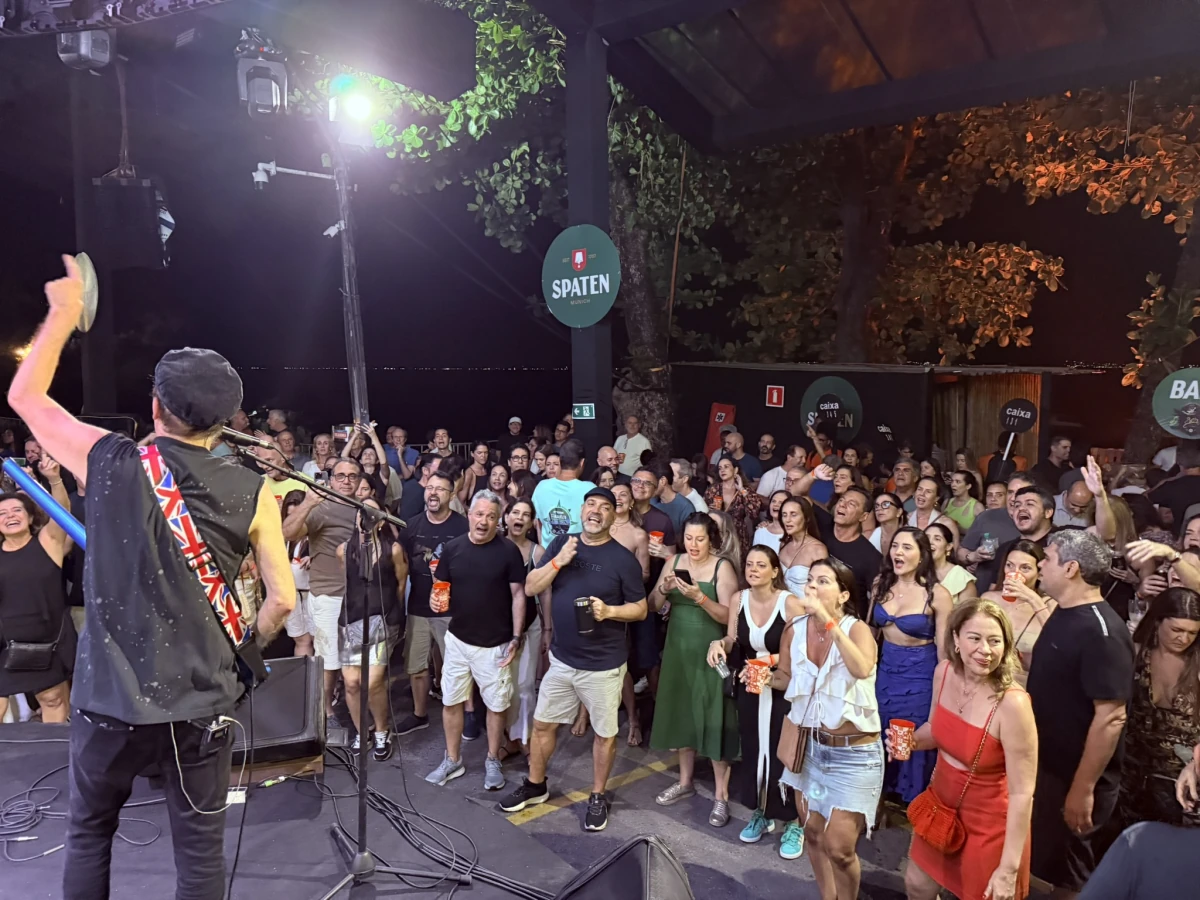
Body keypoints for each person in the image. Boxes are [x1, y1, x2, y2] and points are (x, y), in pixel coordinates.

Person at [9, 260, 295, 900]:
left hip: (109, 703)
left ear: (156, 406)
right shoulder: (256, 491)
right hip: (201, 706)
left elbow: (25, 397)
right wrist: (242, 648)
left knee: (89, 834)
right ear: (226, 419)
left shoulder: (107, 460)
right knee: (199, 855)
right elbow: (282, 600)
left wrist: (64, 312)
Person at [498, 488, 648, 832]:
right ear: (582, 510)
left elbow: (640, 609)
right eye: (591, 504)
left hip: (604, 665)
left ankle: (597, 795)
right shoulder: (561, 544)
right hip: (563, 659)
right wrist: (558, 561)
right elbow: (531, 587)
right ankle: (536, 785)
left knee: (604, 735)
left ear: (613, 516)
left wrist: (610, 611)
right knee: (543, 725)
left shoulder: (623, 559)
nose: (596, 511)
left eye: (605, 507)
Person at [892, 599, 1037, 900]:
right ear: (956, 639)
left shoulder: (1014, 704)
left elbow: (1023, 793)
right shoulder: (944, 672)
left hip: (989, 825)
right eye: (975, 638)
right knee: (917, 885)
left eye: (995, 641)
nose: (985, 650)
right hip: (941, 807)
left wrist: (1008, 869)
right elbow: (935, 729)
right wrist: (911, 742)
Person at [1027, 529, 1135, 897]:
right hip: (1049, 768)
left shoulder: (1103, 633)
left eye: (1047, 558)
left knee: (1069, 875)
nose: (1040, 565)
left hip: (1076, 777)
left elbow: (1111, 717)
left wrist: (1082, 788)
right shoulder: (1065, 611)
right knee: (1045, 864)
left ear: (1071, 568)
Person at [772, 557, 883, 896]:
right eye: (810, 580)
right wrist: (760, 676)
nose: (813, 586)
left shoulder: (857, 629)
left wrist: (827, 619)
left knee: (840, 848)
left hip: (854, 756)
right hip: (810, 748)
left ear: (843, 595)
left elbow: (861, 668)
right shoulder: (794, 629)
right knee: (813, 832)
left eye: (823, 581)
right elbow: (785, 676)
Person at [425, 491, 526, 791]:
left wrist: (516, 636)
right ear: (469, 515)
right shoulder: (453, 548)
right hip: (458, 640)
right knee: (451, 701)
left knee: (496, 705)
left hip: (495, 644)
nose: (484, 521)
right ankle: (452, 759)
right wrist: (434, 599)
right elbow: (440, 585)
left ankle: (493, 759)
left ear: (498, 520)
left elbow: (518, 595)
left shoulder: (509, 551)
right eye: (479, 514)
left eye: (491, 516)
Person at [707, 546, 804, 856]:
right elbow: (733, 639)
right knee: (753, 750)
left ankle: (794, 822)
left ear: (775, 571)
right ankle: (762, 812)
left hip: (781, 684)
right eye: (749, 564)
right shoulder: (739, 599)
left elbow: (799, 651)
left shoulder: (790, 603)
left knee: (781, 753)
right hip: (750, 685)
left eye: (761, 565)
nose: (753, 569)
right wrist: (718, 644)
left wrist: (766, 661)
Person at [648, 513, 740, 826]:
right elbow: (652, 604)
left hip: (710, 650)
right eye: (689, 538)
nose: (694, 544)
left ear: (711, 539)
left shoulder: (721, 567)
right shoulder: (674, 561)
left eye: (700, 538)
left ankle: (721, 796)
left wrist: (699, 597)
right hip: (678, 648)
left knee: (712, 716)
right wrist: (664, 588)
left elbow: (729, 616)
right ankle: (685, 781)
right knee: (683, 713)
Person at [869, 526, 953, 802]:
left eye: (907, 547)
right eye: (895, 546)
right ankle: (878, 803)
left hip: (920, 678)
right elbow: (871, 633)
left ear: (922, 555)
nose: (898, 552)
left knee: (911, 738)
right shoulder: (881, 584)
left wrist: (943, 695)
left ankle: (913, 806)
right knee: (881, 732)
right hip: (885, 673)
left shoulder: (937, 594)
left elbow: (944, 653)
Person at [283, 458, 362, 718]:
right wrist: (308, 502)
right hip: (329, 596)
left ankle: (353, 712)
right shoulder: (321, 508)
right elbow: (288, 532)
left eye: (352, 476)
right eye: (340, 476)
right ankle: (325, 714)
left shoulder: (365, 508)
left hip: (358, 597)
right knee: (328, 661)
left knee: (355, 664)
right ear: (331, 480)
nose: (346, 481)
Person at [0, 460, 77, 724]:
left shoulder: (48, 543)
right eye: (2, 513)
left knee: (53, 699)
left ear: (30, 516)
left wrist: (54, 479)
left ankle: (54, 749)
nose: (10, 516)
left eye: (16, 510)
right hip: (5, 641)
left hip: (48, 639)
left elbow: (61, 514)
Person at [1118, 587, 1200, 829]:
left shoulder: (1196, 664)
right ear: (1157, 622)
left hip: (1184, 775)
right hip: (1133, 768)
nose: (1183, 639)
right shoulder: (1135, 654)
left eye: (1192, 633)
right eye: (1176, 630)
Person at [394, 471, 468, 736]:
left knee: (455, 668)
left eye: (440, 489)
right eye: (430, 488)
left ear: (451, 495)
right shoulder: (411, 526)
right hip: (418, 608)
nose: (433, 493)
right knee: (416, 667)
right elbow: (400, 564)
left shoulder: (462, 527)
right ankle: (419, 714)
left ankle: (460, 716)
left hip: (452, 610)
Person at [336, 498, 406, 760]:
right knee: (351, 683)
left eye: (370, 512)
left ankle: (381, 731)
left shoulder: (393, 549)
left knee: (373, 681)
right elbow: (348, 583)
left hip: (383, 620)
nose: (364, 517)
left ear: (380, 520)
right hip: (352, 619)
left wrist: (394, 617)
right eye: (360, 512)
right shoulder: (344, 550)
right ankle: (361, 731)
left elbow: (401, 584)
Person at [503, 499, 547, 755]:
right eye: (515, 512)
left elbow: (546, 593)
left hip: (530, 627)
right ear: (506, 517)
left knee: (525, 687)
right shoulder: (494, 547)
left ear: (531, 523)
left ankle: (525, 739)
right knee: (503, 687)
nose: (519, 518)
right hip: (498, 628)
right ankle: (506, 738)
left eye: (526, 514)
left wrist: (548, 629)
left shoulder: (537, 553)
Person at [981, 540, 1054, 687]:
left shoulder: (1049, 605)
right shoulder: (988, 599)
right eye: (1009, 565)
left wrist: (1033, 599)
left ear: (1039, 573)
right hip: (987, 681)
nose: (1015, 573)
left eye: (1025, 568)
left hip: (1027, 685)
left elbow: (1059, 643)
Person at [959, 472, 1034, 588]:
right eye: (1010, 492)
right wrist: (972, 556)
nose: (1013, 498)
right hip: (983, 592)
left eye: (1020, 493)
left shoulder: (1037, 523)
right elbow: (961, 552)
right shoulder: (986, 517)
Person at [532, 439, 592, 547]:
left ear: (560, 461)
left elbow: (537, 522)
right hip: (580, 554)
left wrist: (543, 549)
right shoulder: (590, 489)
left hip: (548, 554)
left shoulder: (541, 487)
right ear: (582, 462)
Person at [705, 457, 764, 563]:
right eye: (720, 468)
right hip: (718, 533)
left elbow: (754, 512)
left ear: (735, 470)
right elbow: (704, 513)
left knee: (737, 565)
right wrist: (711, 511)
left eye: (726, 467)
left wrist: (741, 489)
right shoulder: (713, 490)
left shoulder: (744, 490)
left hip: (738, 535)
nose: (722, 470)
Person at [777, 496, 828, 595]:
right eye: (784, 515)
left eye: (793, 515)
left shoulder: (818, 550)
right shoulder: (784, 544)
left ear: (806, 518)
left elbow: (823, 590)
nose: (787, 520)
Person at [1149, 443, 1200, 536]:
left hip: (1181, 535)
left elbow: (1144, 499)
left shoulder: (1170, 486)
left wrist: (1165, 481)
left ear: (1179, 464)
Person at [926, 521, 977, 605]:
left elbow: (967, 611)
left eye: (937, 539)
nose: (930, 542)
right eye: (926, 538)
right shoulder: (914, 571)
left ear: (948, 546)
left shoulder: (961, 577)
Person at [399, 452, 440, 523]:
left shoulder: (437, 489)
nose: (444, 472)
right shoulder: (413, 489)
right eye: (439, 469)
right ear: (425, 471)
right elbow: (406, 522)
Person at [870, 491, 904, 556]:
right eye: (877, 506)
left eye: (885, 504)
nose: (879, 508)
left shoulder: (908, 535)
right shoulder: (875, 534)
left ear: (899, 512)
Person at [460, 441, 491, 505]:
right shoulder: (469, 472)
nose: (483, 455)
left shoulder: (488, 470)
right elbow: (461, 501)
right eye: (479, 453)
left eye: (486, 452)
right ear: (472, 454)